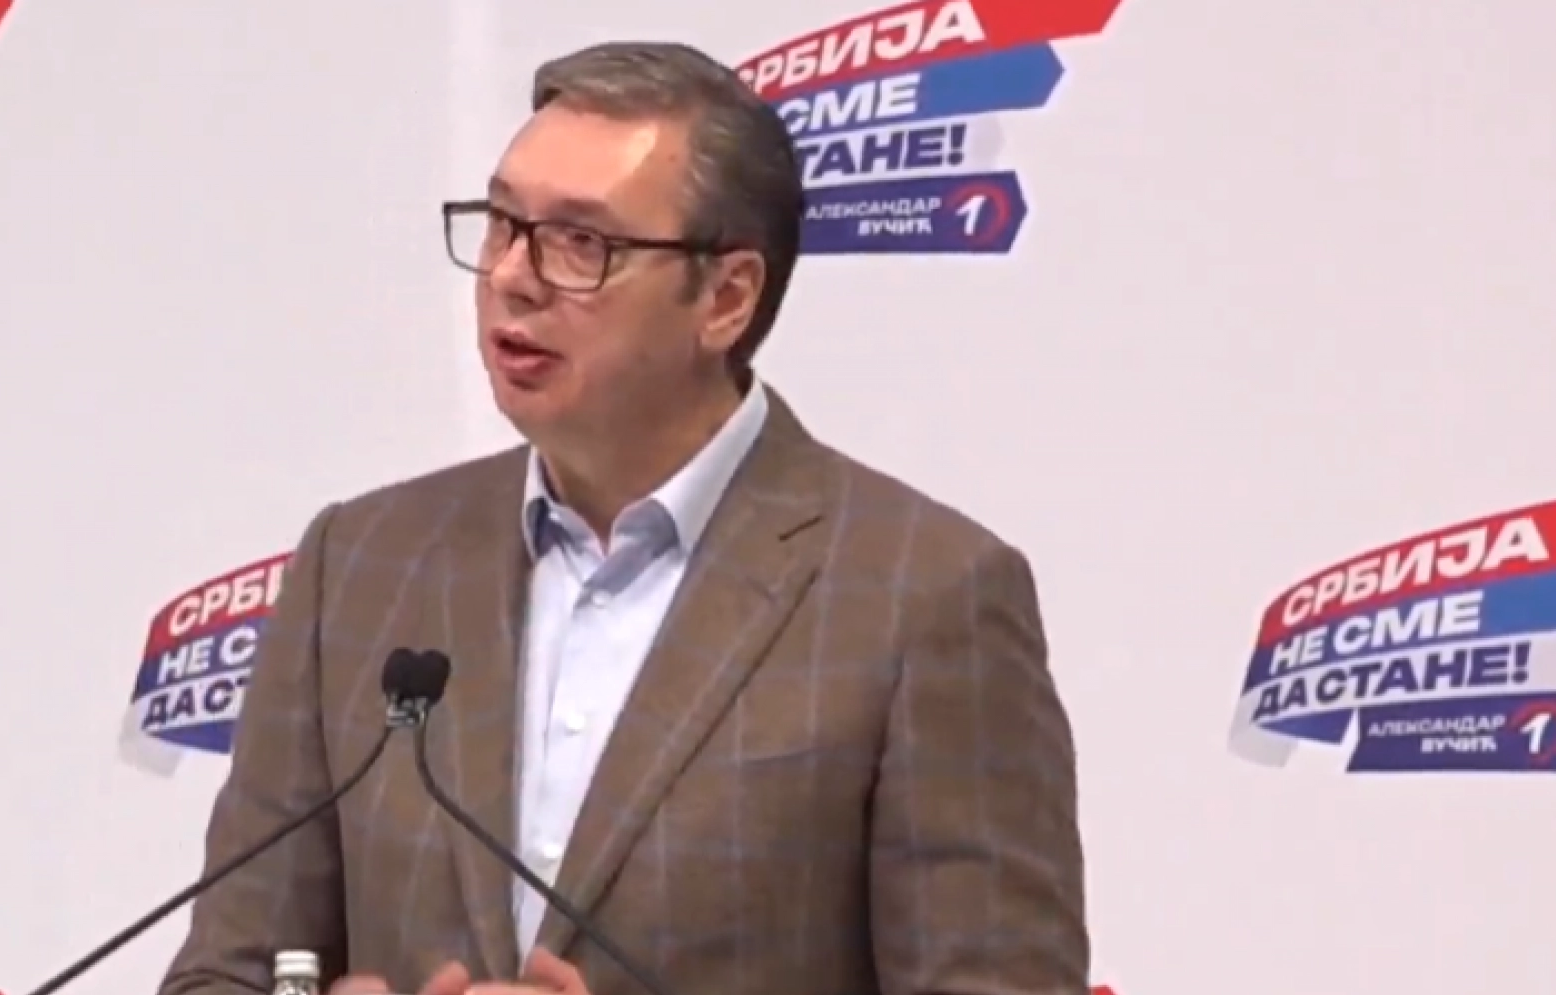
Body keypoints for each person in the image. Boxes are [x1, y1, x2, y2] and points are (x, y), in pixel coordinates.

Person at [158, 40, 1088, 995]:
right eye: (502, 223)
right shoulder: (360, 565)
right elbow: (224, 971)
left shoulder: (921, 597)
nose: (512, 276)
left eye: (580, 244)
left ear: (725, 298)